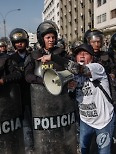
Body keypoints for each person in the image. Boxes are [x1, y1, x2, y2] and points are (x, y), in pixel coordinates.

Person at [38, 44, 116, 154]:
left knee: (104, 151)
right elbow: (74, 97)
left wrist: (53, 57)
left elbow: (78, 69)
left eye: (85, 53)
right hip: (85, 120)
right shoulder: (72, 75)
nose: (82, 56)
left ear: (92, 57)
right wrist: (72, 90)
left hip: (104, 120)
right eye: (79, 54)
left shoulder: (97, 67)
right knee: (84, 149)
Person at [24, 20, 77, 153]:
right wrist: (43, 81)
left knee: (63, 128)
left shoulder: (62, 54)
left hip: (62, 100)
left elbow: (71, 69)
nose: (51, 40)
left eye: (53, 37)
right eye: (48, 37)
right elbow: (28, 76)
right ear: (42, 39)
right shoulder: (34, 56)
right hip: (42, 103)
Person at [9, 28, 33, 152]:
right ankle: (28, 148)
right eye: (17, 42)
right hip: (19, 96)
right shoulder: (11, 59)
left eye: (22, 41)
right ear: (14, 44)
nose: (20, 44)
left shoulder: (33, 56)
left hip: (34, 94)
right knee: (25, 124)